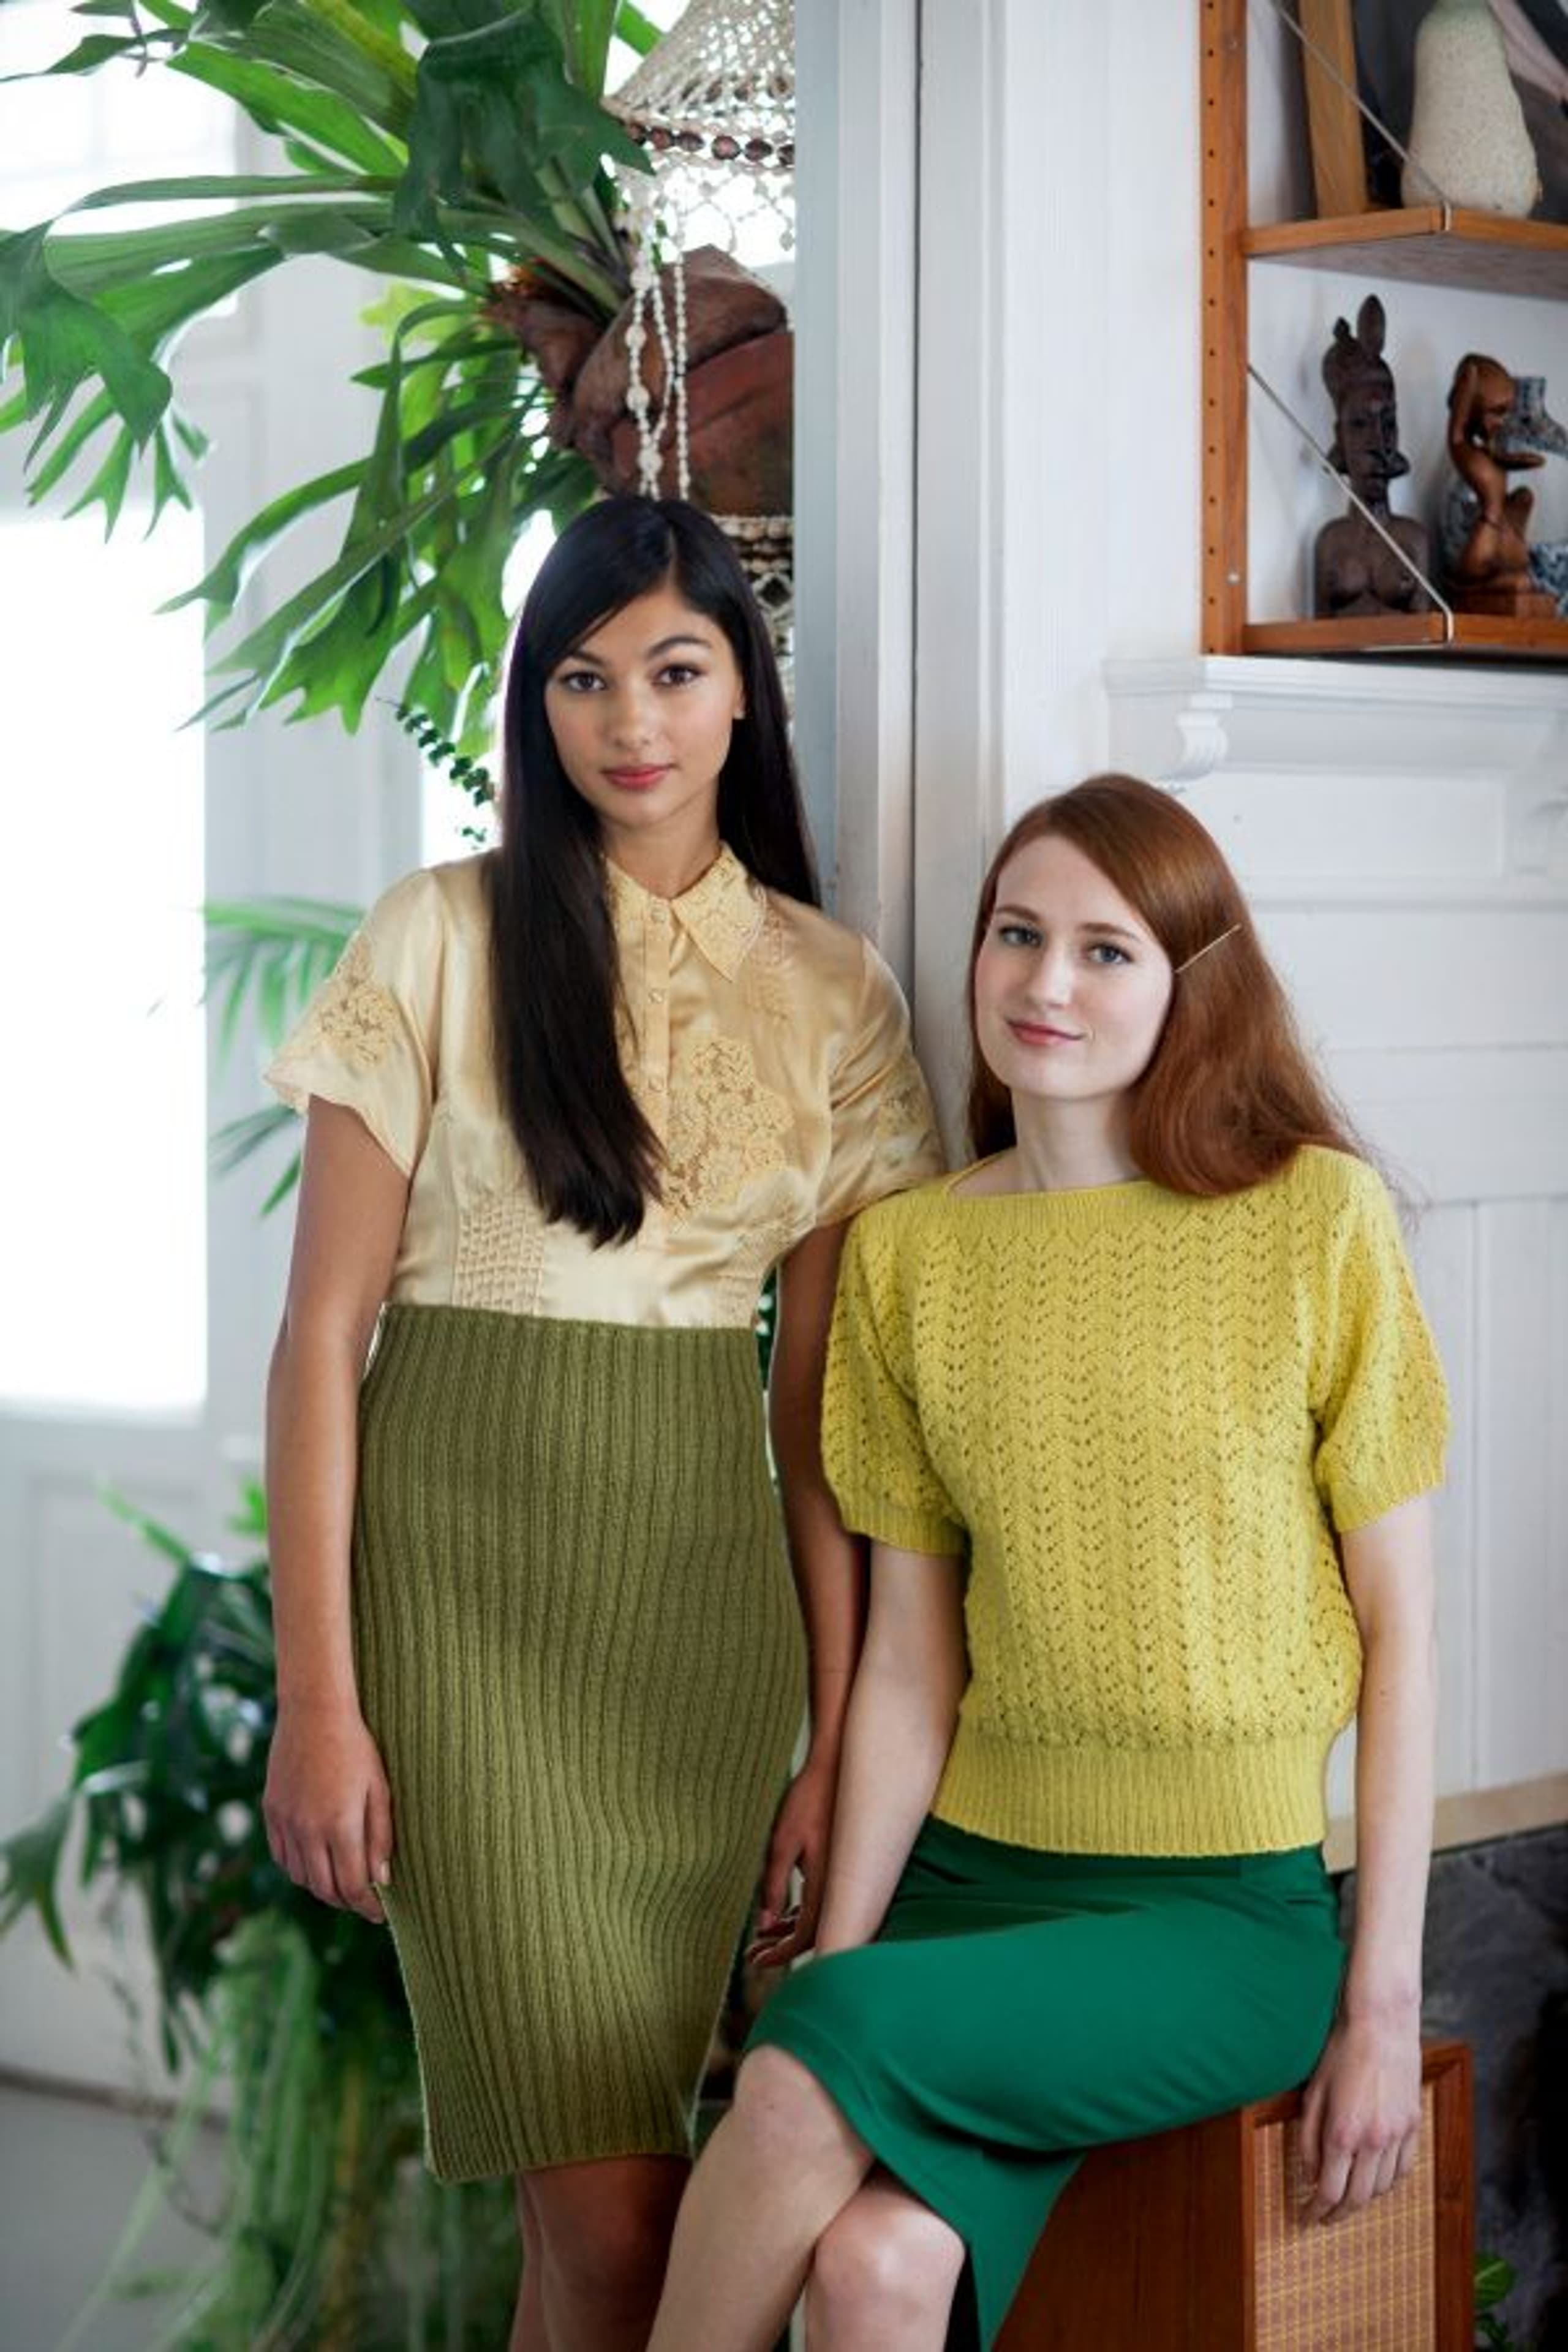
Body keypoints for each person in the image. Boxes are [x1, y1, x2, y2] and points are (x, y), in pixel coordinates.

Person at [260, 495, 942, 2352]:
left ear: (744, 693)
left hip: (704, 1639)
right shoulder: (438, 935)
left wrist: (831, 1737)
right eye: (582, 677)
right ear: (535, 703)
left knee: (601, 2239)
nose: (630, 720)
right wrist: (319, 1702)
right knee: (622, 2224)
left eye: (674, 670)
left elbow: (820, 1410)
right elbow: (320, 1338)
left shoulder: (836, 990)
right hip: (461, 1619)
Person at [647, 772, 1449, 2352]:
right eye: (1017, 935)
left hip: (1224, 1921)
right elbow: (908, 1662)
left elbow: (1403, 1631)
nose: (1046, 984)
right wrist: (848, 1956)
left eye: (1105, 950)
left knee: (794, 2080)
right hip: (969, 1883)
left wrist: (1382, 2002)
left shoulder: (1316, 1221)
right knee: (874, 2270)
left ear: (1191, 982)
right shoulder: (912, 1255)